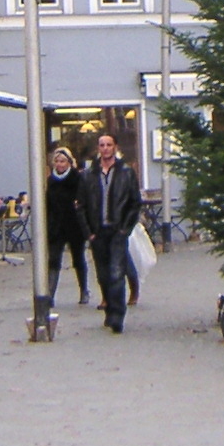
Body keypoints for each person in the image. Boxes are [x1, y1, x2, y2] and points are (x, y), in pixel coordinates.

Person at [77, 134, 141, 334]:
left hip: (117, 230)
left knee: (116, 273)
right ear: (98, 149)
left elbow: (134, 202)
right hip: (98, 232)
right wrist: (89, 233)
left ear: (115, 147)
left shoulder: (126, 173)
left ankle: (117, 316)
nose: (105, 148)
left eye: (109, 145)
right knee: (103, 275)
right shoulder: (88, 175)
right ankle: (109, 309)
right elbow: (80, 205)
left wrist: (125, 228)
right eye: (102, 145)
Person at [45, 147, 89, 307]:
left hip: (74, 226)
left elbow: (83, 200)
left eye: (62, 161)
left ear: (69, 162)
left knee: (78, 258)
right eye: (56, 161)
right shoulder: (51, 180)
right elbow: (47, 203)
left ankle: (84, 290)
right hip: (56, 226)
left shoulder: (77, 178)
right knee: (54, 259)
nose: (59, 164)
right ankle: (50, 294)